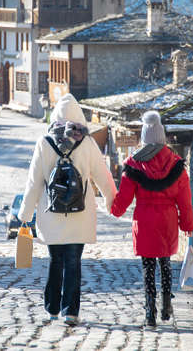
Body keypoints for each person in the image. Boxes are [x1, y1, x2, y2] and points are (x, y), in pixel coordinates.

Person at [18, 93, 117, 325]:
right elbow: (104, 177)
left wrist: (25, 214)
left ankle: (52, 308)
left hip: (51, 214)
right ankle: (70, 311)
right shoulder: (88, 143)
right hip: (80, 214)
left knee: (55, 261)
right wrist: (113, 201)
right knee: (73, 262)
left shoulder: (44, 143)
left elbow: (34, 181)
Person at [110, 110, 193, 327]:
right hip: (167, 220)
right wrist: (187, 224)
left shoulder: (133, 164)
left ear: (145, 137)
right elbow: (185, 200)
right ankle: (167, 306)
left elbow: (124, 198)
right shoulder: (176, 164)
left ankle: (150, 312)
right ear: (162, 136)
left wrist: (115, 210)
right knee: (165, 264)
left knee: (148, 267)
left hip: (145, 220)